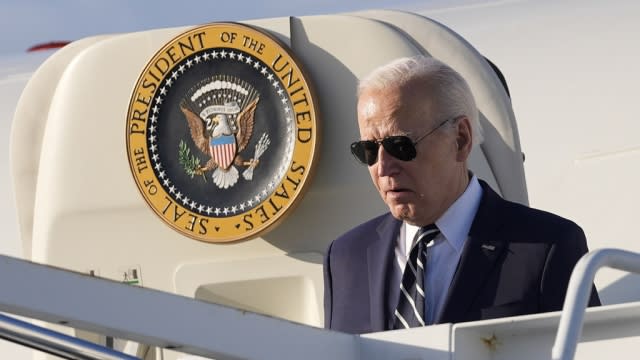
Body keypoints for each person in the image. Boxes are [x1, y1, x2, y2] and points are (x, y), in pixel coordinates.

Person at [323, 56, 600, 334]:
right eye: (368, 151)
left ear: (461, 139)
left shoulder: (546, 248)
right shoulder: (346, 258)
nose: (383, 167)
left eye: (400, 146)